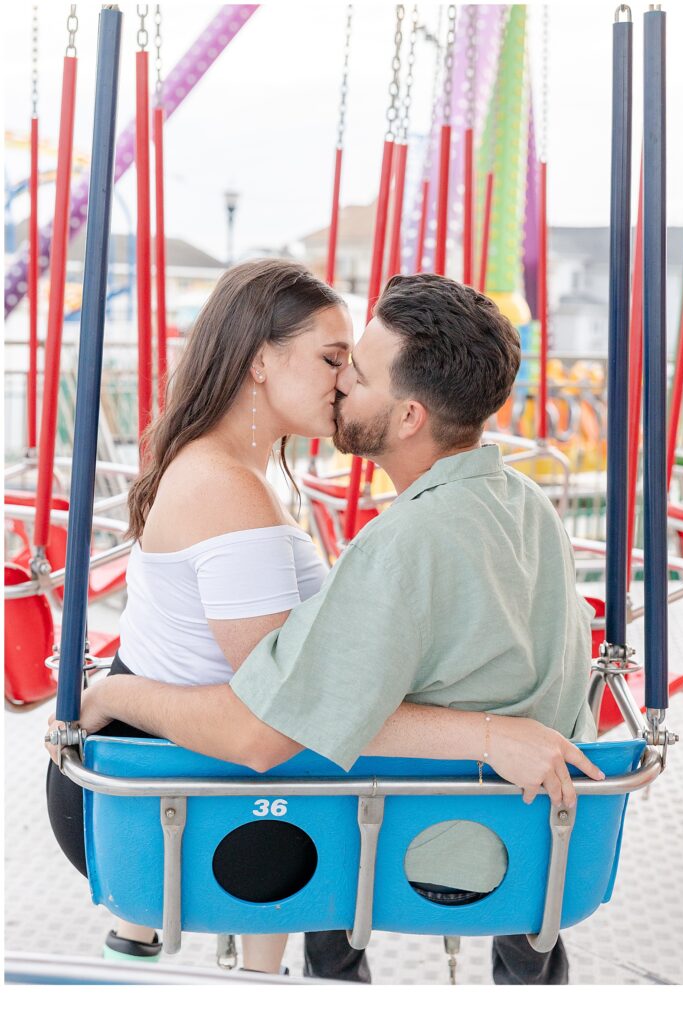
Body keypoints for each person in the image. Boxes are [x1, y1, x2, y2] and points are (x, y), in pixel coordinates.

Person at [48, 273, 602, 985]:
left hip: (422, 837)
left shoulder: (393, 537)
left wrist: (109, 697)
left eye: (355, 369)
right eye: (333, 361)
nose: (341, 385)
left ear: (406, 418)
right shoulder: (529, 505)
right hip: (525, 847)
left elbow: (275, 726)